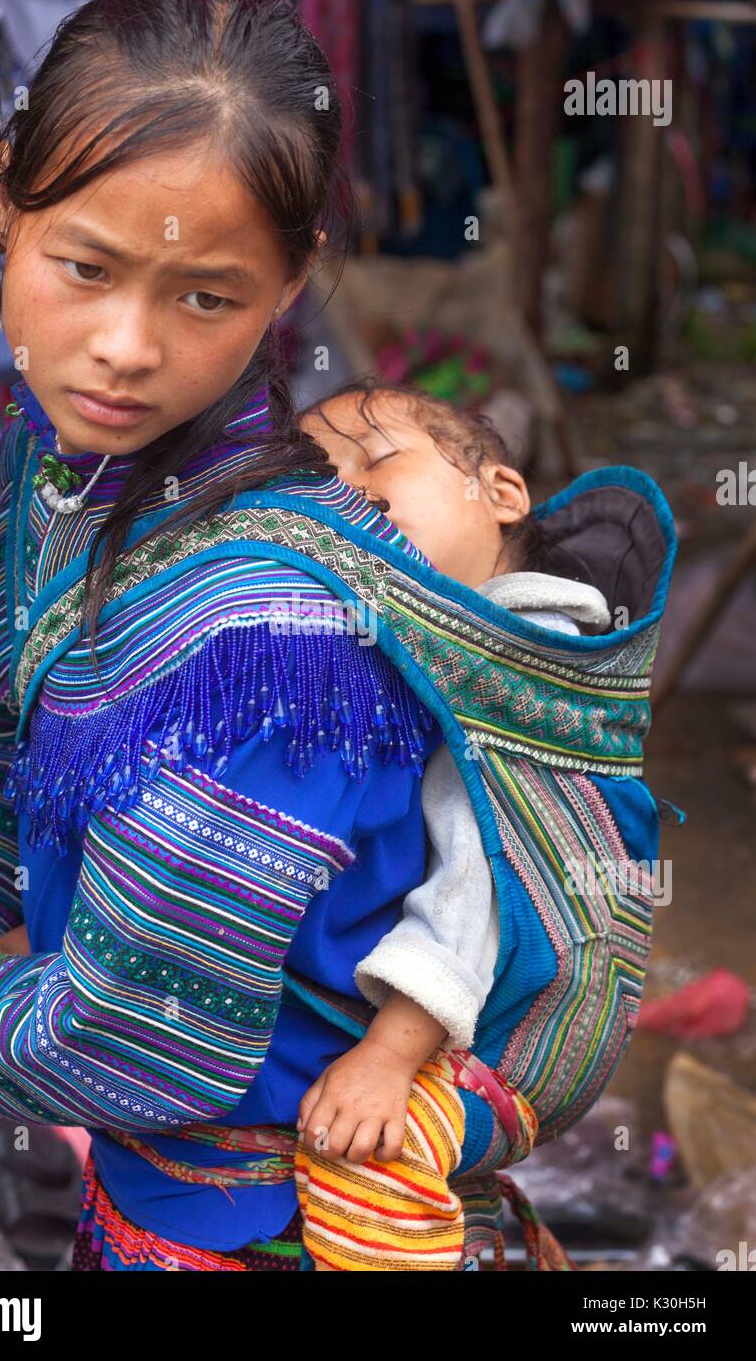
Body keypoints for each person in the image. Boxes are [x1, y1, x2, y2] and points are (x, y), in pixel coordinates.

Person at [0, 0, 441, 1272]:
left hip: (277, 1225)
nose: (123, 349)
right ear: (5, 200)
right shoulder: (67, 471)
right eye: (83, 267)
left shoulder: (271, 639)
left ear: (290, 278)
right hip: (142, 1190)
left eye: (205, 295)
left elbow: (142, 1038)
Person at [292, 382, 612, 1270]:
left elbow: (484, 875)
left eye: (379, 459)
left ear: (500, 494)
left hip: (465, 1037)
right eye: (320, 481)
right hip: (447, 1025)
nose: (348, 490)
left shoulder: (518, 662)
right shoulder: (429, 642)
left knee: (363, 1170)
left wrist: (389, 1060)